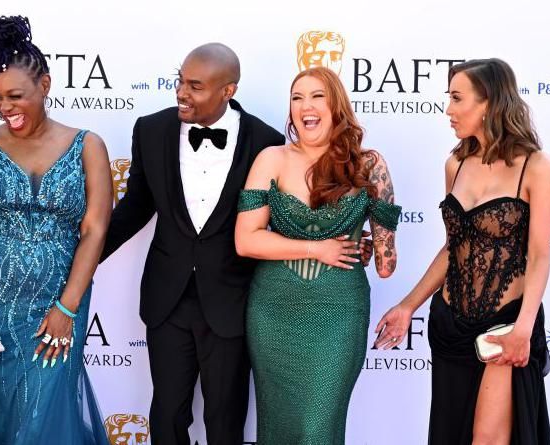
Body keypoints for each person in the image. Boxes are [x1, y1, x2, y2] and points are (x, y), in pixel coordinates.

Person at [100, 44, 373, 445]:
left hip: (233, 299)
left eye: (194, 86)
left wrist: (351, 240)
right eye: (180, 81)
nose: (181, 92)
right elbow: (134, 208)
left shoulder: (263, 140)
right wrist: (82, 258)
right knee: (166, 414)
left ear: (227, 90)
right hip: (166, 296)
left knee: (226, 420)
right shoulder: (151, 129)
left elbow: (284, 215)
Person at [0, 15, 111, 444]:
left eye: (16, 95)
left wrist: (68, 309)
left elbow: (94, 230)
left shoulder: (88, 145)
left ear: (46, 85)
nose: (5, 107)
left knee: (45, 414)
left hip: (58, 304)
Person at [375, 58, 550, 444]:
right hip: (450, 323)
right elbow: (455, 247)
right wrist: (408, 305)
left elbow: (540, 254)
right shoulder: (455, 164)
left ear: (488, 102)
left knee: (488, 439)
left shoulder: (536, 167)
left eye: (457, 98)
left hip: (504, 324)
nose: (448, 109)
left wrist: (524, 328)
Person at [234, 66, 400, 444]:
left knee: (318, 428)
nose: (305, 106)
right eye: (297, 98)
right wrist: (316, 248)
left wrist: (375, 236)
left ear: (336, 105)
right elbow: (246, 241)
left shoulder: (370, 164)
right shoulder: (271, 158)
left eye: (317, 96)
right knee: (277, 428)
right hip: (273, 312)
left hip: (338, 312)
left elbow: (387, 267)